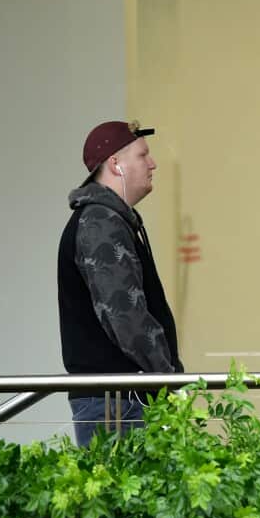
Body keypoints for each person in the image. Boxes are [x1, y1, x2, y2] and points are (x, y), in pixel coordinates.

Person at [58, 120, 183, 447]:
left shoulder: (108, 219)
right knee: (124, 495)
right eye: (143, 155)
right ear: (116, 164)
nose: (152, 163)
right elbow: (125, 316)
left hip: (122, 400)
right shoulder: (101, 222)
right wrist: (169, 377)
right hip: (118, 405)